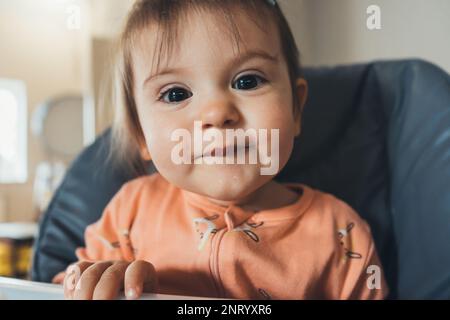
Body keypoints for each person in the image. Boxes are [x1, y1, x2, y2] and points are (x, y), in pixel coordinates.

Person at [54, 0, 388, 300]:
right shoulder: (130, 212)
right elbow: (62, 287)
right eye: (175, 94)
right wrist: (99, 283)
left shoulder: (340, 232)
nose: (216, 113)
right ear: (141, 134)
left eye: (247, 81)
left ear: (295, 110)